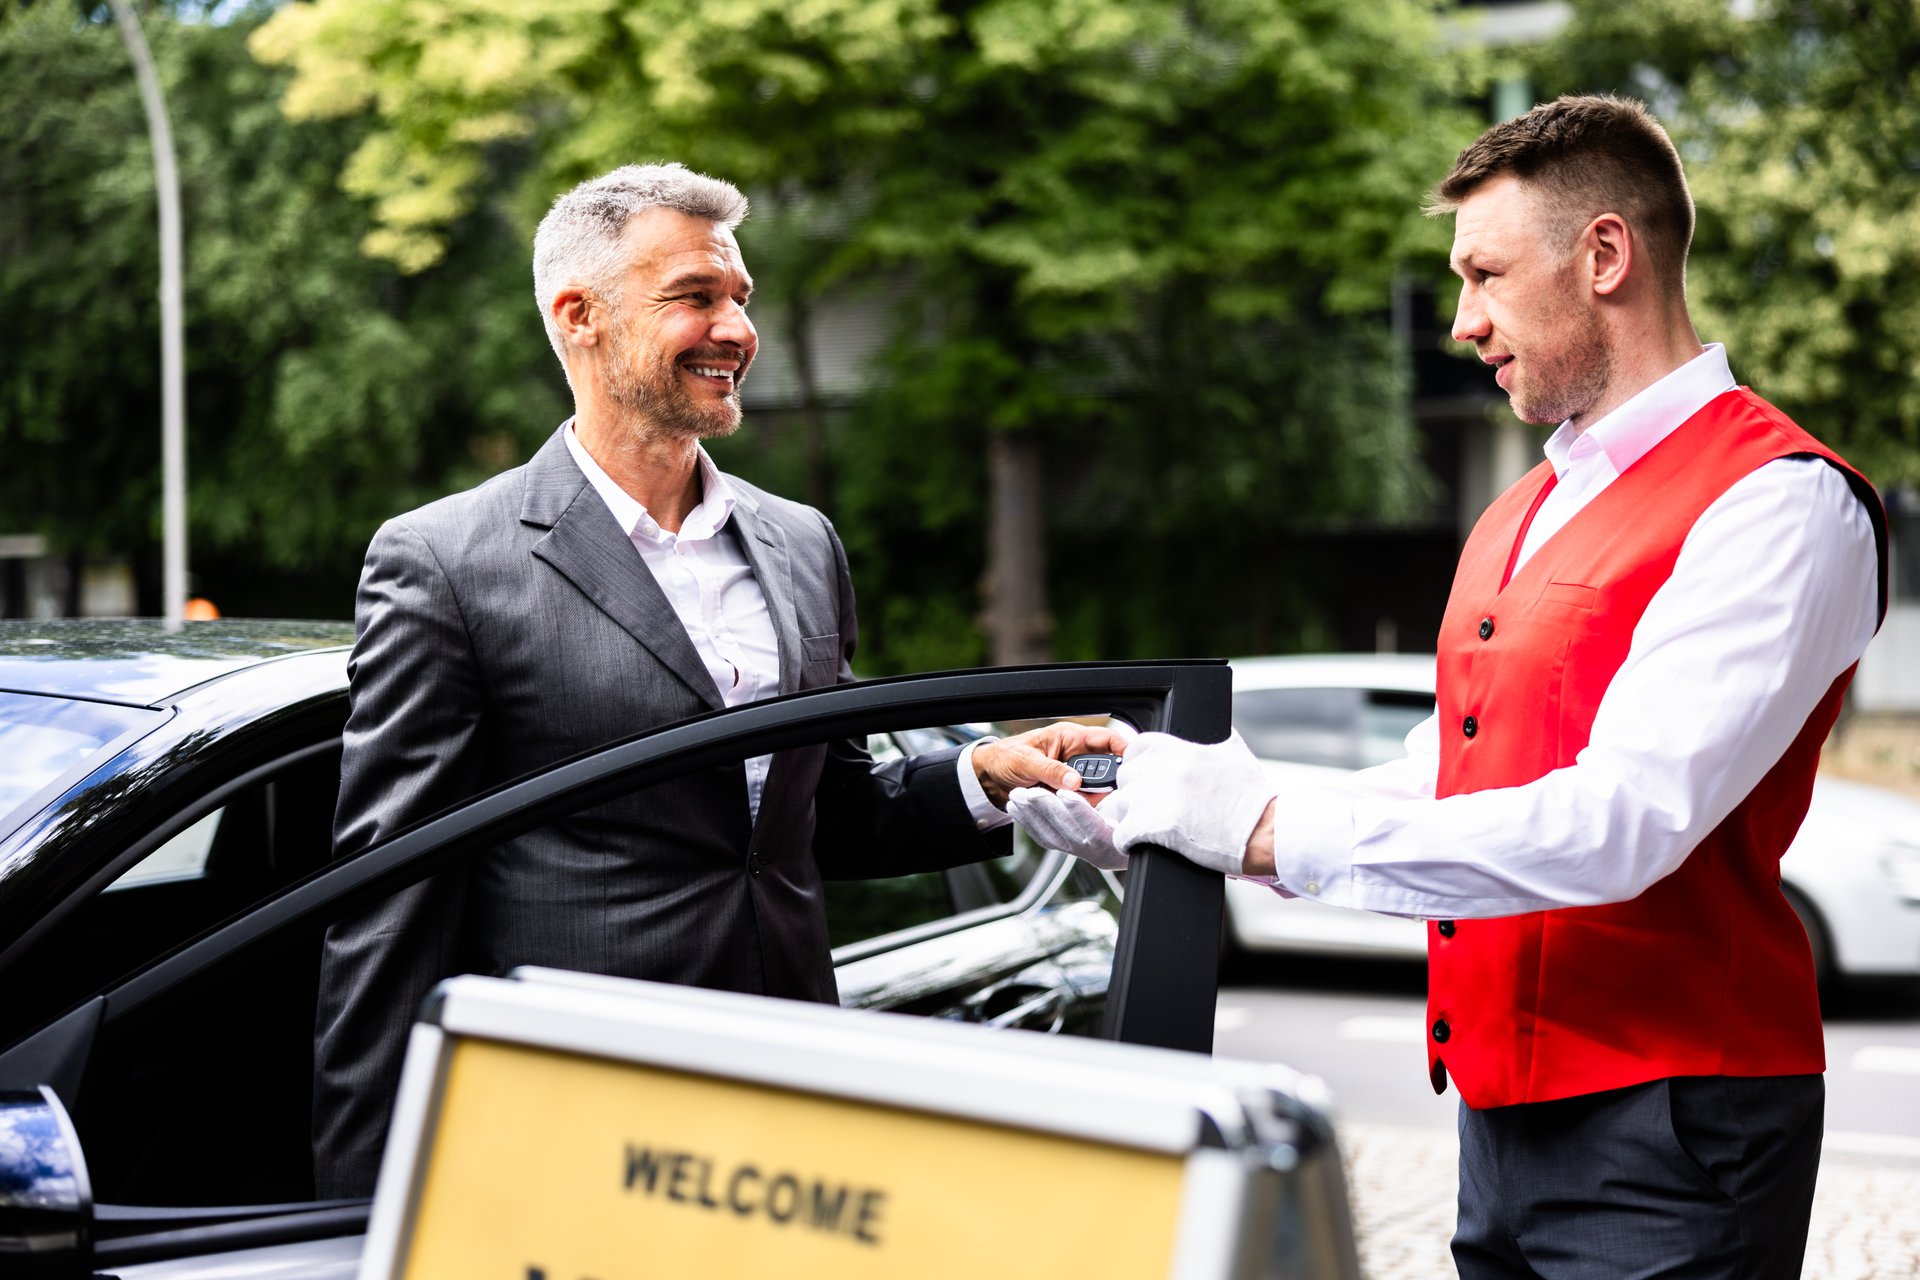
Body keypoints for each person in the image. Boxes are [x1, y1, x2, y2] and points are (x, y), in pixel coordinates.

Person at [1011, 96, 1888, 1278]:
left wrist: (1263, 829)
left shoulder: (1781, 500)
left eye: (1484, 274)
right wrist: (1176, 811)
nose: (1463, 321)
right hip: (1496, 1118)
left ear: (1607, 256)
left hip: (1679, 1127)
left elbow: (1626, 822)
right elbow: (1446, 768)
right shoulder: (1521, 508)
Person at [313, 162, 1112, 1198]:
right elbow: (392, 901)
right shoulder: (448, 559)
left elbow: (825, 812)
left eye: (740, 298)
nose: (736, 328)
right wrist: (366, 1198)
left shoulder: (801, 541)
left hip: (791, 1102)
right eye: (695, 296)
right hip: (578, 1125)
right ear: (579, 316)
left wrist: (982, 776)